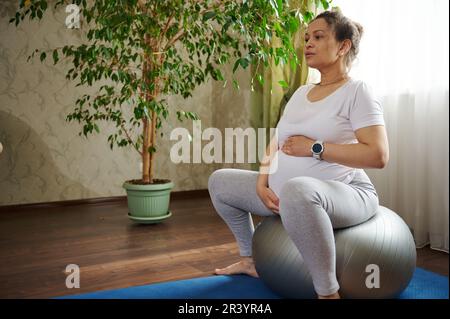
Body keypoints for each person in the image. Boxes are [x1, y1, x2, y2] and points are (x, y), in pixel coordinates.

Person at [207, 9, 389, 299]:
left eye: (318, 37)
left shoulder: (357, 91)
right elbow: (276, 142)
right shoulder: (302, 93)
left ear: (343, 46)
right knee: (219, 182)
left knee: (298, 189)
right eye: (306, 38)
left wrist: (314, 148)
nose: (307, 44)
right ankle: (251, 260)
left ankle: (328, 293)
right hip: (288, 196)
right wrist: (261, 182)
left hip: (346, 192)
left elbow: (378, 155)